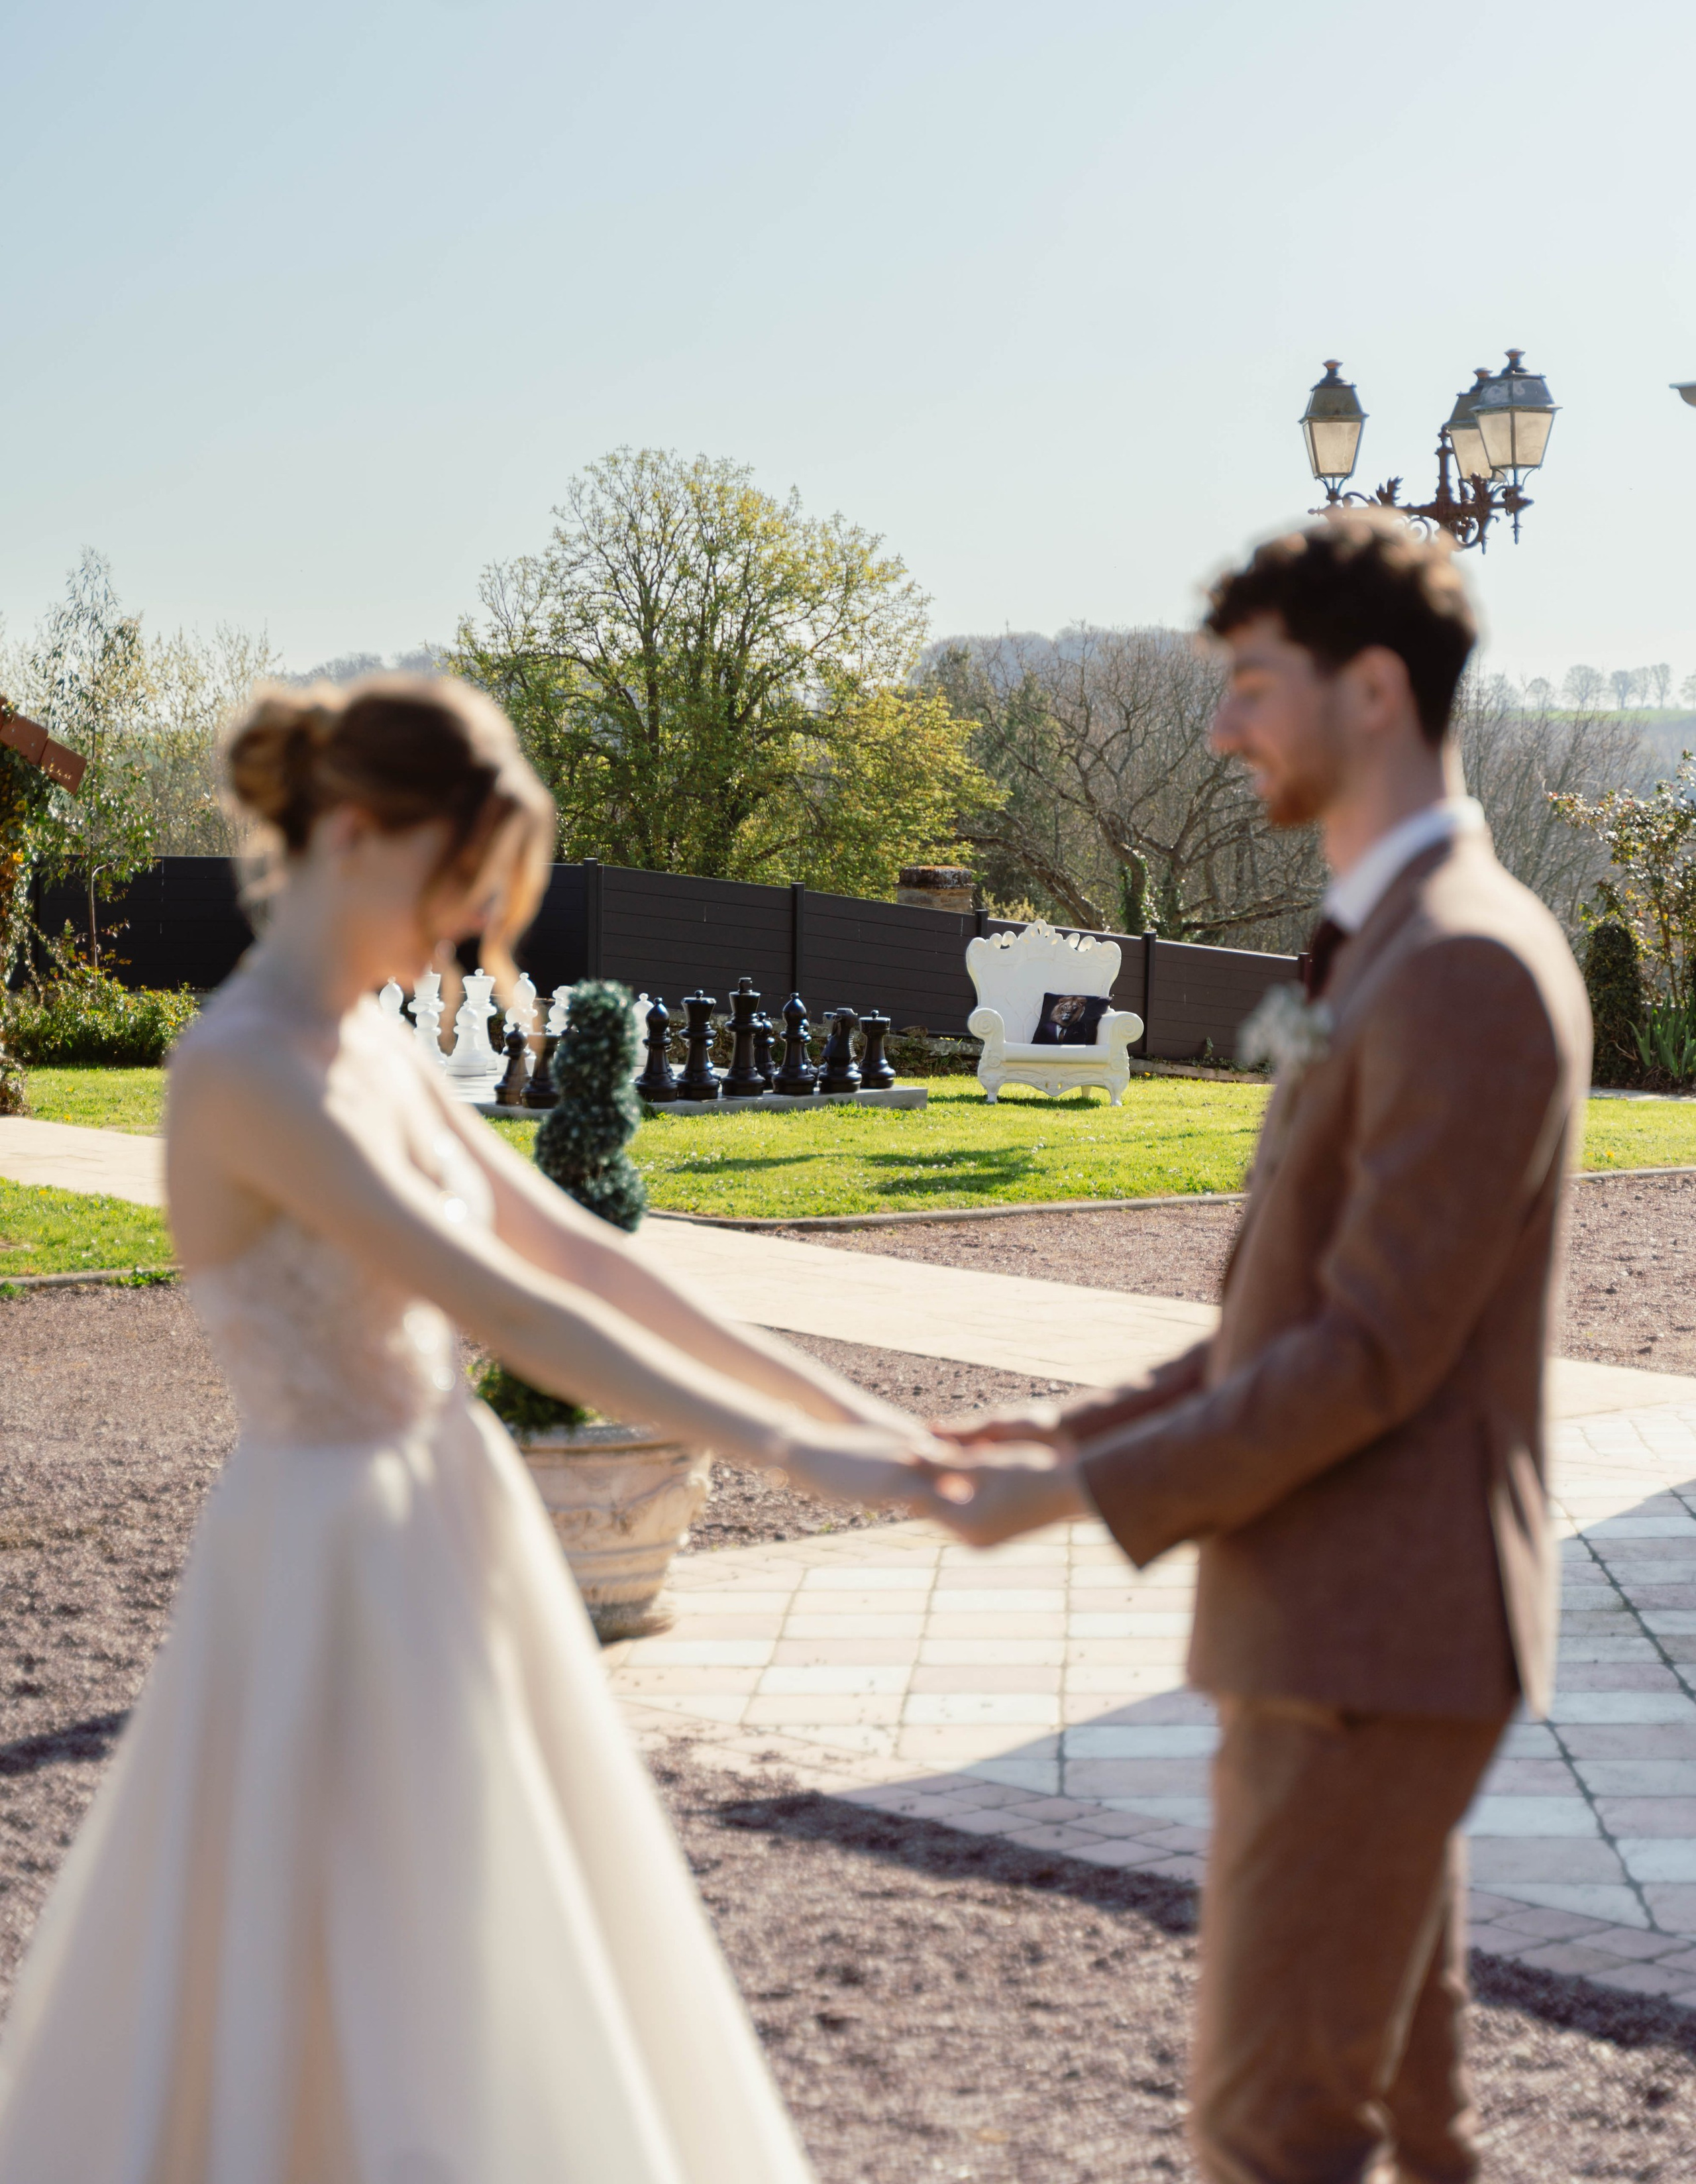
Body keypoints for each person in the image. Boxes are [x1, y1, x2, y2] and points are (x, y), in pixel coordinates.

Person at [0, 675, 955, 2184]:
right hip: (324, 1554)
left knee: (495, 1954)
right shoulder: (242, 1067)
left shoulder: (370, 1047)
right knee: (346, 1972)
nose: (468, 930)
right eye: (459, 887)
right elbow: (514, 1308)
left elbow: (586, 1257)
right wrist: (805, 1460)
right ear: (355, 837)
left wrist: (872, 1419)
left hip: (451, 1514)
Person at [932, 514, 1591, 2184]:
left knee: (1266, 2133)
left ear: (1371, 691)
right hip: (1353, 1637)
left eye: (1249, 683)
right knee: (1410, 2134)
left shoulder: (1461, 965)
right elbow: (1274, 1317)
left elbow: (1364, 1355)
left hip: (1369, 1647)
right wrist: (1069, 1430)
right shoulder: (1378, 944)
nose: (1221, 727)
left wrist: (1073, 1495)